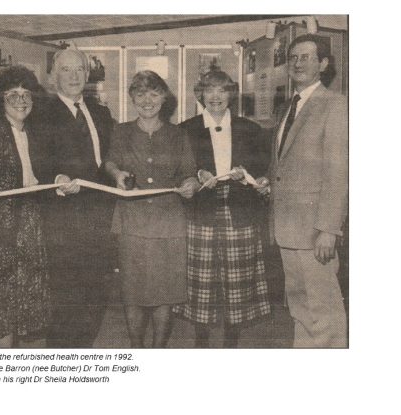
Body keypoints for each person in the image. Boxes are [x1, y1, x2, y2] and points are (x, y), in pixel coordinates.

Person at [173, 70, 271, 348]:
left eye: (222, 90)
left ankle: (231, 344)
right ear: (200, 94)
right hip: (201, 212)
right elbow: (179, 171)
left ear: (231, 94)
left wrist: (249, 174)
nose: (215, 97)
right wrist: (196, 173)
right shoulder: (186, 128)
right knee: (201, 285)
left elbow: (262, 171)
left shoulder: (250, 129)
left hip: (239, 212)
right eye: (209, 90)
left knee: (237, 285)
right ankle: (201, 342)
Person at [105, 71, 199, 348]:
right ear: (132, 98)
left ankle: (157, 351)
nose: (148, 100)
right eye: (141, 94)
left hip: (168, 225)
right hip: (131, 222)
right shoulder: (120, 132)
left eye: (154, 93)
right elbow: (109, 162)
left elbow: (189, 173)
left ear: (164, 98)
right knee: (133, 292)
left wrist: (191, 184)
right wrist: (117, 174)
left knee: (164, 293)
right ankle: (137, 349)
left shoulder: (178, 134)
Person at [268, 34, 348, 348]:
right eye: (293, 58)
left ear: (323, 64)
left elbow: (338, 173)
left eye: (306, 57)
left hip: (315, 232)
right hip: (288, 229)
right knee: (302, 310)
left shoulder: (335, 105)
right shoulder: (290, 107)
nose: (297, 63)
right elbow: (287, 166)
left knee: (324, 313)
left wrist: (328, 229)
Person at [39, 48, 115, 348]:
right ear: (54, 76)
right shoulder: (41, 113)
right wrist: (55, 180)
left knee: (95, 293)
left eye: (79, 70)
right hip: (62, 219)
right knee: (64, 298)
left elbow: (109, 159)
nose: (73, 76)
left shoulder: (100, 112)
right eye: (66, 70)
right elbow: (35, 161)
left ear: (87, 74)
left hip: (100, 218)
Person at [0, 65, 51, 348]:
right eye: (12, 94)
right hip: (1, 231)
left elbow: (43, 176)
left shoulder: (36, 134)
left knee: (25, 305)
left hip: (31, 227)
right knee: (1, 308)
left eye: (26, 93)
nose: (20, 100)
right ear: (0, 100)